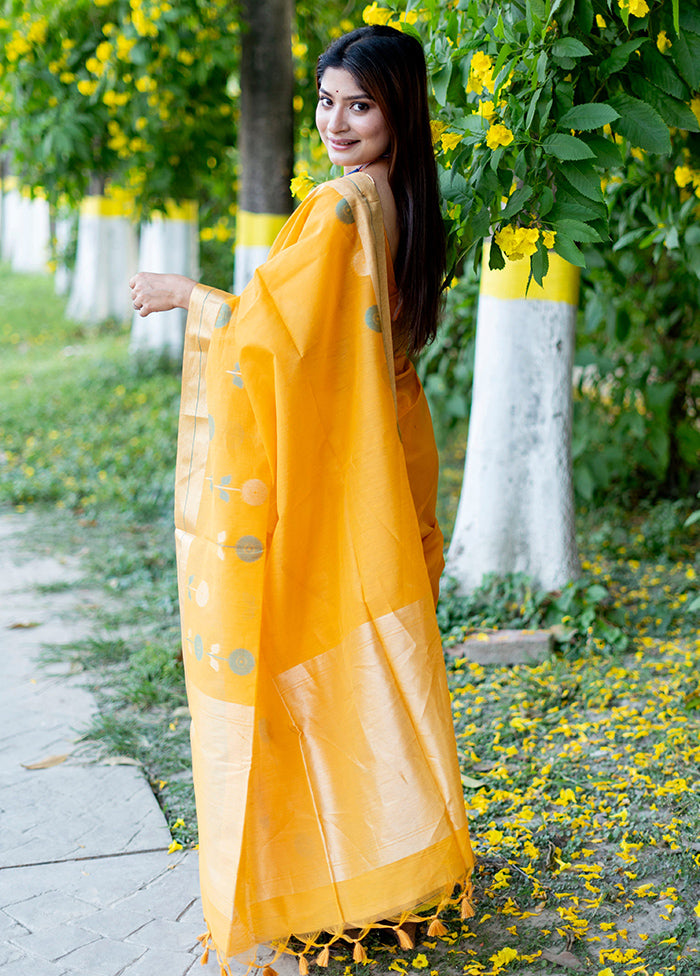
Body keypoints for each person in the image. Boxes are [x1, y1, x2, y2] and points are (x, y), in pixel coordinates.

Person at [129, 25, 474, 976]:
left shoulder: (340, 208)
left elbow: (266, 343)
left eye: (359, 105)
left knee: (310, 658)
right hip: (379, 473)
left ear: (399, 110)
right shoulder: (404, 202)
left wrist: (185, 295)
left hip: (335, 486)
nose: (336, 122)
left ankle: (333, 886)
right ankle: (385, 872)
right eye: (325, 102)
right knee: (366, 663)